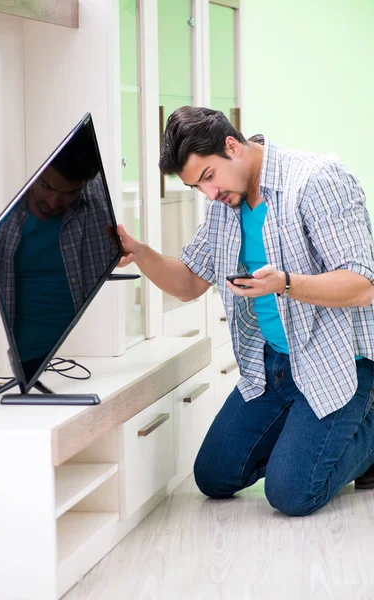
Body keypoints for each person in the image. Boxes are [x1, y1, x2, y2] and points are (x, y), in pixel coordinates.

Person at [116, 105, 374, 516]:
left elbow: (363, 285)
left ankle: (366, 435)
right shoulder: (223, 203)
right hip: (273, 368)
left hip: (336, 364)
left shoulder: (316, 181)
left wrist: (286, 284)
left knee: (291, 494)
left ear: (232, 146)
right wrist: (141, 253)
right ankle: (305, 431)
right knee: (213, 477)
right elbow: (189, 283)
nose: (210, 194)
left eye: (208, 178)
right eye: (198, 188)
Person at [0, 124, 119, 381]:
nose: (54, 202)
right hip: (19, 362)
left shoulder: (98, 204)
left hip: (83, 360)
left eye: (70, 192)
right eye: (46, 186)